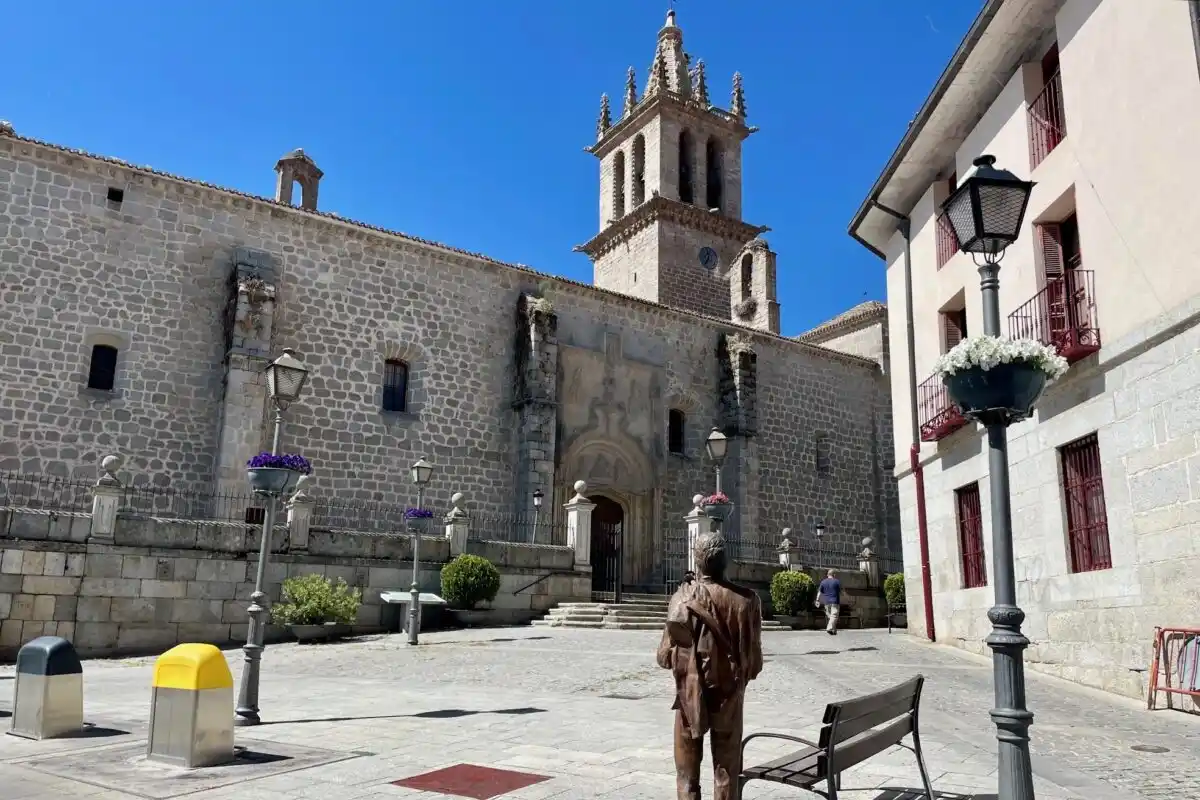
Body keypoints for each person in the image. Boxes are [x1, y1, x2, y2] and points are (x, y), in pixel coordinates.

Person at [657, 532, 764, 800]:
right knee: (726, 773)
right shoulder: (748, 601)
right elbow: (755, 664)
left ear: (697, 561)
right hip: (729, 697)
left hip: (690, 698)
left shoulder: (682, 599)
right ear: (725, 561)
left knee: (686, 777)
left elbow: (663, 657)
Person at [816, 568, 842, 635]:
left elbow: (819, 592)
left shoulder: (823, 582)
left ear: (827, 575)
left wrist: (817, 600)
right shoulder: (837, 581)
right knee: (834, 616)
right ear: (834, 575)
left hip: (826, 602)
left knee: (831, 617)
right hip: (835, 601)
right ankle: (829, 628)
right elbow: (841, 592)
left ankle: (834, 630)